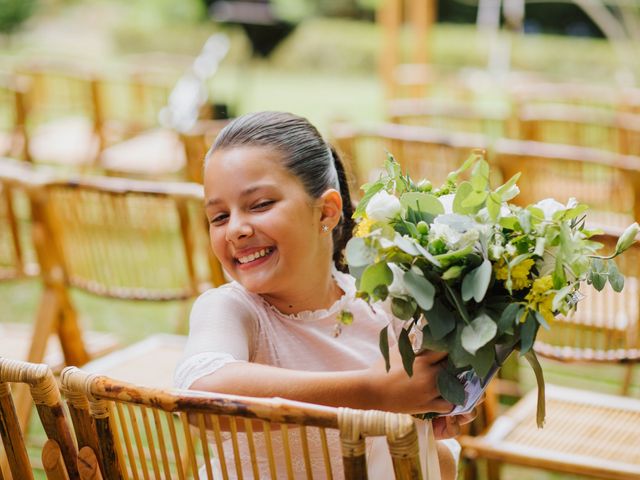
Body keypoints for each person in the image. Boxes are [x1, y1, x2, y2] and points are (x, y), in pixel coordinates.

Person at [174, 111, 474, 479]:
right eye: (219, 217)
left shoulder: (386, 304)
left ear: (326, 212)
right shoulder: (232, 309)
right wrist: (372, 390)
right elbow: (199, 398)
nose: (235, 229)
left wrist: (431, 407)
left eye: (260, 204)